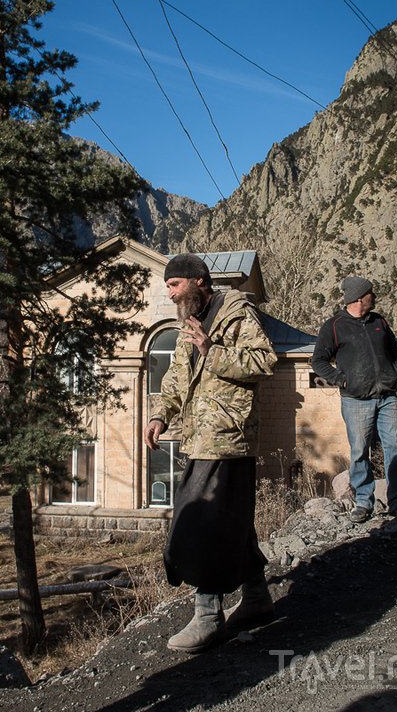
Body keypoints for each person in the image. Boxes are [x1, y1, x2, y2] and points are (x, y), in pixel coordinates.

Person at [144, 254, 277, 653]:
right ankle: (257, 598)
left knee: (199, 518)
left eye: (175, 285)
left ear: (199, 281)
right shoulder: (190, 322)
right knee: (231, 518)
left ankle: (207, 616)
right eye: (168, 287)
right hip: (200, 438)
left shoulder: (236, 313)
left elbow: (264, 360)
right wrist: (160, 415)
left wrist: (211, 349)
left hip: (229, 436)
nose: (170, 294)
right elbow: (176, 377)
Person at [312, 276, 397, 524]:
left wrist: (394, 373)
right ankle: (364, 502)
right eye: (370, 293)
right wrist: (342, 380)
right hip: (356, 401)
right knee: (359, 451)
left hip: (387, 397)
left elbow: (396, 350)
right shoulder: (334, 326)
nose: (374, 297)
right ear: (359, 298)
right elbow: (318, 361)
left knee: (395, 449)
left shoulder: (379, 321)